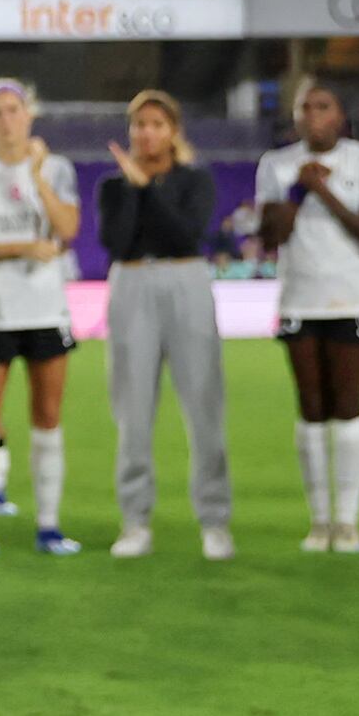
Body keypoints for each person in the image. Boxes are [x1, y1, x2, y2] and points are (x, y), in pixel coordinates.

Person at [256, 79, 359, 553]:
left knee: (349, 405)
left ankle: (348, 520)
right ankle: (319, 520)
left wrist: (323, 191)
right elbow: (271, 235)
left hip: (349, 298)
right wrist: (297, 191)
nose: (313, 115)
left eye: (323, 106)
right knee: (311, 408)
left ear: (340, 115)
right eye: (304, 107)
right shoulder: (276, 165)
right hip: (299, 298)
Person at [0, 79, 84, 556]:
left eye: (14, 111)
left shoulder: (58, 169)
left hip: (46, 309)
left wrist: (38, 177)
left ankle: (48, 525)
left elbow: (68, 229)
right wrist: (21, 247)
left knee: (48, 417)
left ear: (30, 116)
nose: (7, 121)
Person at [99, 89, 233, 558]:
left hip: (185, 280)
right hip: (132, 283)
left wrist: (147, 190)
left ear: (173, 131)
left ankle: (215, 520)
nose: (146, 133)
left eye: (156, 124)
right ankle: (135, 521)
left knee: (204, 405)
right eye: (139, 125)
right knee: (131, 410)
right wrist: (134, 189)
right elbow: (117, 243)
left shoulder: (194, 180)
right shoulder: (112, 187)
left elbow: (184, 233)